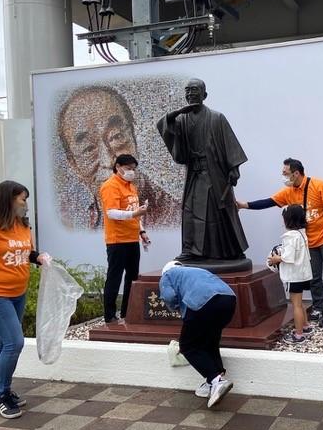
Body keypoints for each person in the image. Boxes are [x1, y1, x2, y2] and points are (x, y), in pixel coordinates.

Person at [0, 180, 51, 419]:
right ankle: (2, 395)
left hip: (18, 292)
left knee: (4, 344)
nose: (25, 204)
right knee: (15, 343)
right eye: (22, 199)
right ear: (8, 199)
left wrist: (39, 258)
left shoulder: (21, 225)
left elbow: (26, 253)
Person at [237, 158, 323, 327]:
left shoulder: (320, 185)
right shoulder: (288, 192)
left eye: (285, 173)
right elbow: (269, 202)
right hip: (309, 242)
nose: (283, 176)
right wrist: (244, 205)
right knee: (313, 277)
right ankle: (318, 307)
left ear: (296, 173)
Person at [58, 86, 179, 230]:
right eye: (88, 149)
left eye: (116, 136)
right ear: (75, 166)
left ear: (133, 137)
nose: (109, 160)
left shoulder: (173, 217)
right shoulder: (73, 222)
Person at [156, 78, 249, 262]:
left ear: (204, 95)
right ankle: (190, 250)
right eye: (188, 91)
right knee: (190, 212)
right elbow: (163, 125)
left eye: (195, 90)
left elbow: (231, 146)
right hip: (195, 174)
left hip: (215, 175)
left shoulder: (216, 118)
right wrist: (178, 112)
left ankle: (230, 250)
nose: (191, 94)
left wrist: (234, 169)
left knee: (218, 213)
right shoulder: (181, 119)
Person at [159, 261, 236, 408]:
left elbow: (168, 296)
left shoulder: (168, 275)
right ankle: (212, 381)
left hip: (202, 301)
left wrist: (177, 307)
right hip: (229, 299)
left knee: (188, 346)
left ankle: (216, 381)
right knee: (209, 341)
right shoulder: (196, 270)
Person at [99, 154, 150, 324]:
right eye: (128, 168)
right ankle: (109, 315)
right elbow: (111, 212)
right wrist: (135, 213)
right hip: (117, 240)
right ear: (118, 167)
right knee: (115, 277)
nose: (131, 172)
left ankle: (127, 312)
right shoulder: (110, 186)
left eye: (133, 169)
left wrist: (141, 231)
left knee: (132, 277)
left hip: (131, 239)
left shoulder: (131, 187)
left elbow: (135, 212)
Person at [267, 204, 314, 344]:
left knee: (296, 305)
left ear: (288, 220)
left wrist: (276, 258)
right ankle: (305, 326)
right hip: (303, 273)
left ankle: (299, 335)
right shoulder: (301, 233)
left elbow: (288, 257)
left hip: (294, 276)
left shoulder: (290, 237)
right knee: (300, 303)